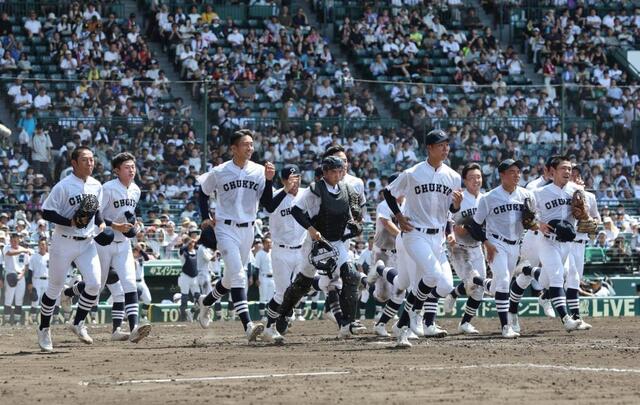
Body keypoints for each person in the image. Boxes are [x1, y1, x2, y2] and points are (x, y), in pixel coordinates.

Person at [195, 129, 282, 342]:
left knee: (229, 279)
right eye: (245, 144)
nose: (250, 148)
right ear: (233, 148)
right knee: (239, 277)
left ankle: (205, 303)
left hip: (249, 229)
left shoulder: (260, 170)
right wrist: (205, 216)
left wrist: (270, 180)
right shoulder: (219, 171)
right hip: (225, 228)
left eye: (252, 144)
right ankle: (248, 326)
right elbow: (203, 192)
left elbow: (269, 205)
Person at [383, 129, 463, 346]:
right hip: (415, 233)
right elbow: (388, 192)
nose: (445, 148)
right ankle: (409, 323)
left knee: (445, 284)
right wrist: (398, 216)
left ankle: (404, 322)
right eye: (440, 145)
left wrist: (456, 205)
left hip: (437, 237)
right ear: (429, 148)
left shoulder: (453, 176)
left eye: (447, 144)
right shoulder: (413, 172)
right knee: (432, 275)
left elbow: (451, 210)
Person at [60, 152, 151, 343]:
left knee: (129, 283)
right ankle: (69, 295)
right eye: (127, 167)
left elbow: (129, 215)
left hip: (123, 244)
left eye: (133, 166)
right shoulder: (107, 189)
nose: (131, 170)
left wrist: (135, 225)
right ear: (117, 171)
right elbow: (94, 214)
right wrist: (115, 226)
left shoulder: (136, 190)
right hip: (103, 243)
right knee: (96, 287)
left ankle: (134, 328)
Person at [273, 156, 364, 339]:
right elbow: (296, 210)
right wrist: (311, 229)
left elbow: (355, 214)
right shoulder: (314, 190)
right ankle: (284, 313)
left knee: (351, 275)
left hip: (336, 241)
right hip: (315, 242)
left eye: (340, 171)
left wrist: (355, 225)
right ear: (325, 172)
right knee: (303, 283)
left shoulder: (347, 189)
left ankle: (347, 323)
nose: (337, 174)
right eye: (333, 171)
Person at [37, 146, 105, 351]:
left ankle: (77, 324)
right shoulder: (63, 186)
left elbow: (96, 210)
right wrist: (69, 221)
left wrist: (101, 224)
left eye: (92, 159)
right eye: (85, 160)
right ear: (74, 163)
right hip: (63, 241)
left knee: (94, 285)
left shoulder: (96, 185)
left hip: (87, 242)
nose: (90, 163)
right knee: (54, 288)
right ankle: (44, 329)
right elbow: (46, 212)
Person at [466, 159, 536, 338]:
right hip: (495, 244)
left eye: (518, 171)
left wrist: (534, 223)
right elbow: (474, 225)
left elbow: (532, 222)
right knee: (504, 281)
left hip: (515, 245)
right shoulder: (489, 197)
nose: (517, 175)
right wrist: (486, 243)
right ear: (502, 175)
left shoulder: (526, 195)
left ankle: (479, 281)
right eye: (512, 171)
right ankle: (506, 326)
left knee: (498, 285)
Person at [530, 156, 582, 332]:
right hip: (547, 241)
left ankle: (543, 295)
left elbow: (584, 215)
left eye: (569, 168)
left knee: (550, 278)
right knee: (558, 276)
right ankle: (566, 319)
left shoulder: (576, 190)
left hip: (566, 243)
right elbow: (528, 216)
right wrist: (539, 224)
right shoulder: (539, 193)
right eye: (563, 168)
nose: (568, 171)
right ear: (552, 171)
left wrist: (584, 214)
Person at [442, 163, 486, 335]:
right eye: (472, 177)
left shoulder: (484, 199)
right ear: (465, 181)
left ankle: (464, 322)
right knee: (474, 280)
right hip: (459, 247)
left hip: (477, 247)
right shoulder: (459, 197)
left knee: (479, 289)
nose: (476, 180)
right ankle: (454, 294)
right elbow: (448, 219)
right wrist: (451, 233)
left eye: (479, 177)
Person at [263, 166, 305, 342]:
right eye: (291, 178)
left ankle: (285, 314)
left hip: (302, 250)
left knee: (302, 288)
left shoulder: (306, 194)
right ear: (283, 180)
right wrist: (285, 189)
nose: (295, 181)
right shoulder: (276, 196)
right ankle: (268, 327)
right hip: (281, 251)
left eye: (297, 177)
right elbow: (268, 207)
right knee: (281, 293)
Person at [565, 165, 600, 330]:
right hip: (566, 242)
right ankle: (576, 317)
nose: (576, 179)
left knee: (574, 279)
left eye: (578, 176)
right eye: (573, 176)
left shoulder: (590, 197)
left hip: (581, 243)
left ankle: (546, 296)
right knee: (570, 277)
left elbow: (597, 219)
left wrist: (591, 223)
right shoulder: (564, 196)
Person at [3, 234, 31, 325]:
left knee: (19, 299)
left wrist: (22, 275)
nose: (14, 242)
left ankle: (17, 321)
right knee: (9, 298)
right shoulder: (6, 248)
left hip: (20, 277)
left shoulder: (23, 250)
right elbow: (10, 253)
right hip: (10, 275)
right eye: (12, 240)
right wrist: (23, 250)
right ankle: (7, 321)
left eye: (16, 240)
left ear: (18, 240)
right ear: (10, 240)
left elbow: (26, 265)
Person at [28, 238, 49, 324]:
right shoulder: (33, 257)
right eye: (40, 244)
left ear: (46, 246)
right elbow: (30, 271)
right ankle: (33, 319)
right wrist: (29, 283)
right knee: (35, 300)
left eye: (43, 244)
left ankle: (45, 320)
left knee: (46, 301)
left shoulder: (50, 256)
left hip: (47, 280)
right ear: (38, 245)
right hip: (36, 280)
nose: (42, 246)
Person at [254, 236, 274, 322]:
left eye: (270, 242)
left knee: (271, 298)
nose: (269, 244)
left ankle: (269, 315)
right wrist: (256, 279)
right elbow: (256, 268)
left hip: (272, 277)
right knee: (263, 297)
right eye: (267, 243)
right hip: (263, 277)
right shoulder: (259, 254)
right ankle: (263, 316)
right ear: (263, 244)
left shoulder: (272, 253)